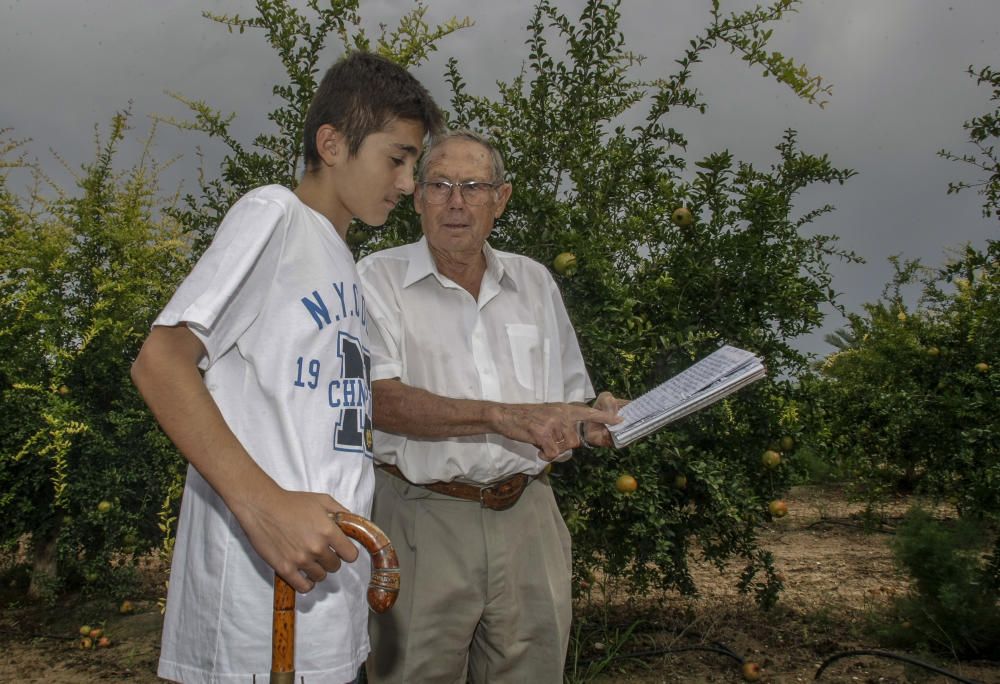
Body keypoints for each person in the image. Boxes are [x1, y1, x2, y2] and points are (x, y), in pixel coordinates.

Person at [130, 51, 443, 683]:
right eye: (397, 158)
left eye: (414, 163)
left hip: (327, 606)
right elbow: (161, 361)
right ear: (332, 143)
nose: (409, 184)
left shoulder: (341, 263)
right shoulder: (274, 215)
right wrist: (264, 504)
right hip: (252, 610)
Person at [357, 128, 623, 683]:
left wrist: (590, 416)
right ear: (418, 197)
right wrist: (502, 416)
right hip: (421, 518)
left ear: (500, 198)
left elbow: (566, 394)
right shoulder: (375, 280)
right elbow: (379, 401)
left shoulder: (534, 281)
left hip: (530, 515)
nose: (456, 201)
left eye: (474, 186)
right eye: (440, 185)